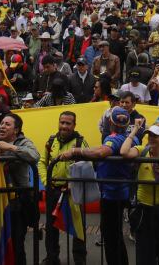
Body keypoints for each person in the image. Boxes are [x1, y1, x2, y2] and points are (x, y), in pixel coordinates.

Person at [56, 106, 134, 265]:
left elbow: (101, 152)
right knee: (114, 235)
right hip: (118, 192)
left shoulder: (114, 138)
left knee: (111, 236)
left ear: (110, 123)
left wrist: (75, 151)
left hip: (112, 194)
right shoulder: (129, 138)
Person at [0, 113, 41, 265]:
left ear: (16, 130)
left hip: (17, 203)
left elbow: (35, 156)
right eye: (1, 124)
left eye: (7, 124)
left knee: (16, 244)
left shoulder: (24, 142)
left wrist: (12, 148)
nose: (2, 126)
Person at [121, 120, 159, 265]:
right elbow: (123, 152)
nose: (151, 139)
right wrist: (135, 130)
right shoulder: (142, 150)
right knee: (144, 256)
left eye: (155, 136)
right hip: (144, 212)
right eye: (149, 135)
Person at [40, 111, 87, 265]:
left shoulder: (81, 143)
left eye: (68, 123)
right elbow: (41, 162)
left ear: (74, 125)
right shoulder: (51, 140)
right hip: (53, 190)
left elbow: (89, 164)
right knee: (50, 227)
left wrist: (75, 181)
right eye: (62, 122)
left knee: (78, 228)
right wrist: (46, 181)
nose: (64, 126)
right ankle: (52, 258)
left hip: (73, 192)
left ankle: (80, 260)